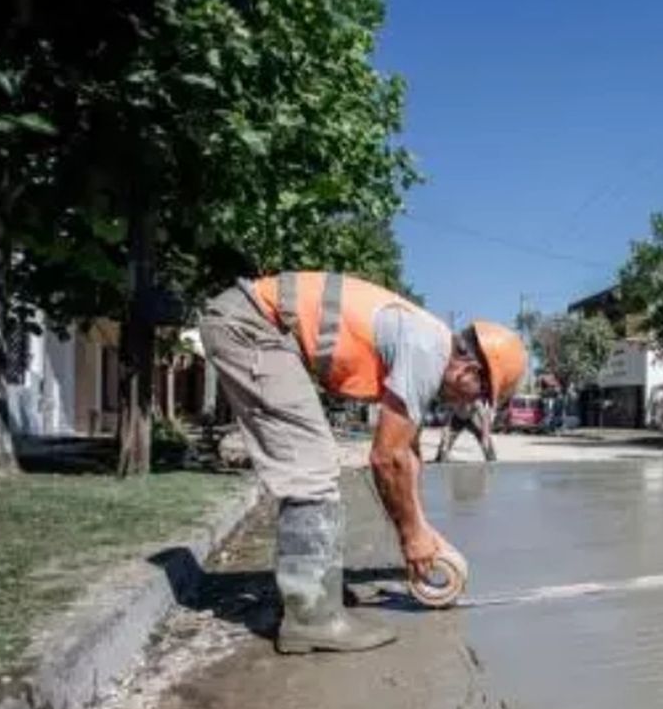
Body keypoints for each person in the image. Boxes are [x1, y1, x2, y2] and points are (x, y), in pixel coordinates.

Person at [198, 271, 526, 654]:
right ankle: (312, 619)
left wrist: (421, 529)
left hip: (258, 323)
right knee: (312, 466)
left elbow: (408, 454)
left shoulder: (430, 345)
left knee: (316, 460)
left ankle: (309, 603)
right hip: (251, 325)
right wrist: (410, 538)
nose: (471, 405)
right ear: (468, 370)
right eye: (480, 395)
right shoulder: (426, 352)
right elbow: (386, 458)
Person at [435, 398, 498, 463]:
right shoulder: (452, 397)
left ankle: (492, 459)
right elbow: (447, 412)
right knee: (445, 443)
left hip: (473, 416)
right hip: (457, 416)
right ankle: (440, 459)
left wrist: (485, 435)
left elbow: (484, 415)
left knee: (485, 440)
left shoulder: (476, 401)